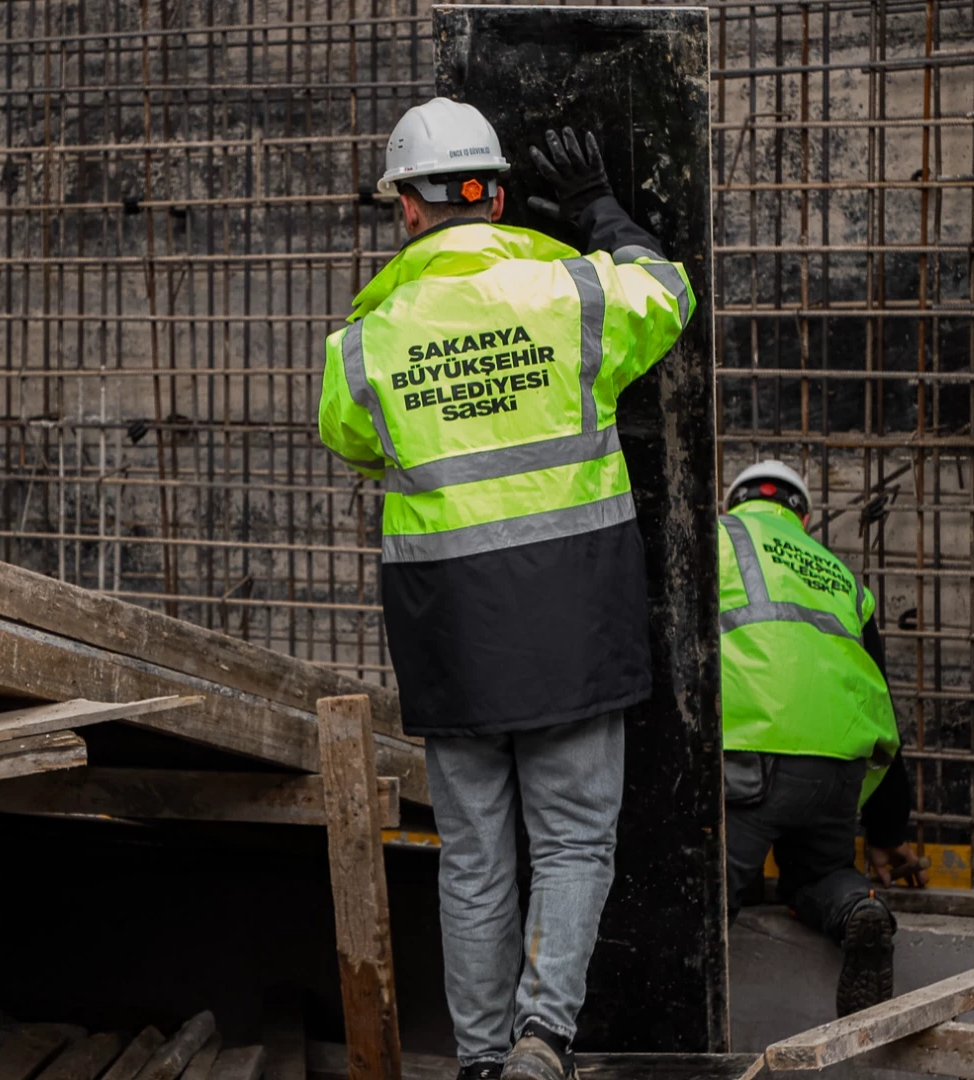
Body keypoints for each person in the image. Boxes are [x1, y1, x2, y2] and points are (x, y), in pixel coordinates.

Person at [317, 98, 694, 1080]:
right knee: (572, 845)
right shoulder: (575, 294)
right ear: (494, 194)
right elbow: (667, 291)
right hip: (574, 621)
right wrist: (601, 210)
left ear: (407, 210)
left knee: (475, 860)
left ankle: (481, 1063)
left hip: (452, 635)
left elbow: (351, 438)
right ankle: (542, 1042)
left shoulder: (365, 341)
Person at [719, 459, 928, 1018]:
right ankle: (860, 908)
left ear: (732, 503)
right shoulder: (842, 577)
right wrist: (887, 831)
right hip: (838, 770)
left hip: (749, 759)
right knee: (820, 875)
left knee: (703, 897)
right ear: (804, 518)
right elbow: (878, 697)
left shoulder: (714, 540)